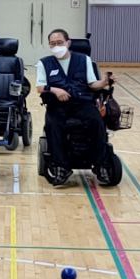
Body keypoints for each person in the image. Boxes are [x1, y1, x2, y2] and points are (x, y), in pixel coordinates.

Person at [35, 28, 113, 186]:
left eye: (59, 43)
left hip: (82, 103)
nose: (56, 46)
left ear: (68, 42)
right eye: (53, 44)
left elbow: (93, 84)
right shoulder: (44, 63)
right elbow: (40, 87)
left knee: (97, 122)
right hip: (58, 105)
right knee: (53, 125)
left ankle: (100, 164)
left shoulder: (84, 60)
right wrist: (55, 90)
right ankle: (62, 167)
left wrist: (104, 82)